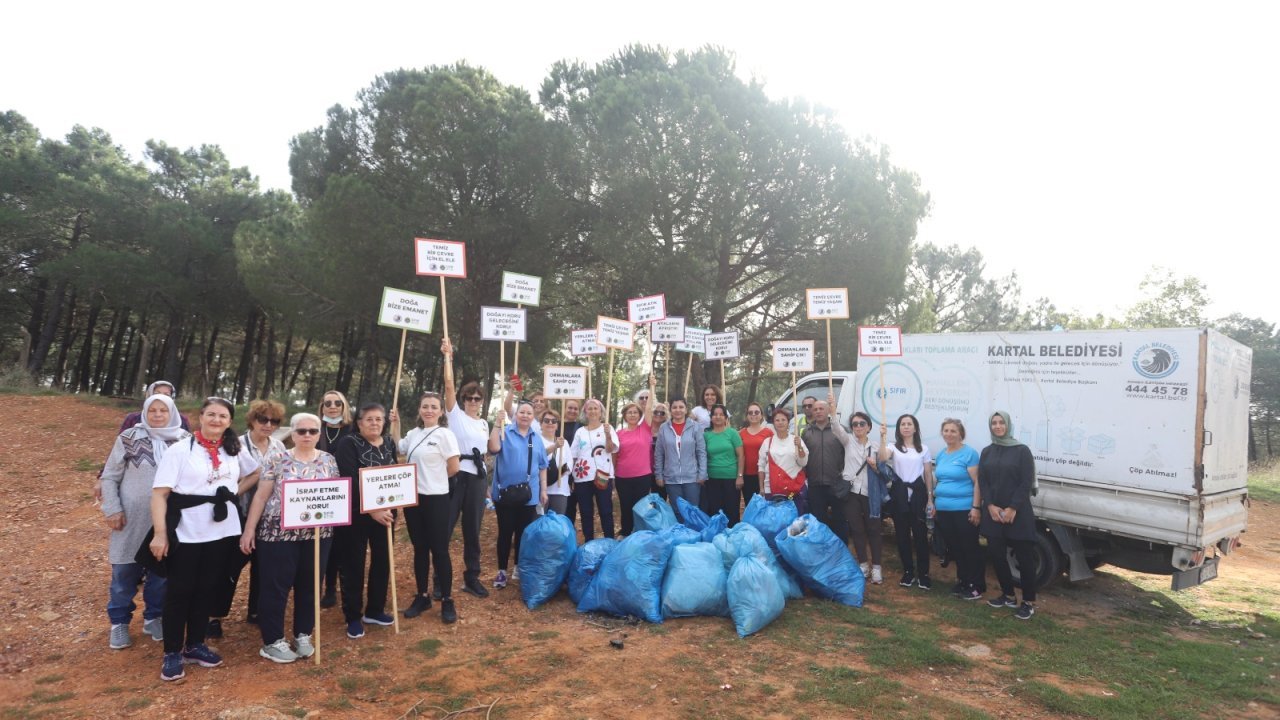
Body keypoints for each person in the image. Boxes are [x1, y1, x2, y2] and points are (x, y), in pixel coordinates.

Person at [149, 397, 260, 682]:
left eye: (222, 416)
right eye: (211, 414)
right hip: (187, 530)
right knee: (180, 590)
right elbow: (160, 494)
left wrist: (232, 492)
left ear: (229, 421)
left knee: (207, 588)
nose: (216, 420)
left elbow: (256, 472)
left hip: (222, 531)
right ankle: (172, 651)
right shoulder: (180, 450)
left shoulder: (233, 448)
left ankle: (195, 644)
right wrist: (160, 534)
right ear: (201, 417)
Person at [238, 413, 335, 663]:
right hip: (277, 534)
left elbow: (335, 495)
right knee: (275, 587)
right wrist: (250, 530)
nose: (306, 435)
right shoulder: (277, 458)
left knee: (311, 584)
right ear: (292, 434)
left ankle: (303, 633)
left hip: (317, 534)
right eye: (301, 431)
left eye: (312, 431)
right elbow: (261, 496)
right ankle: (273, 640)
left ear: (319, 434)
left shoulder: (328, 460)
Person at [101, 393, 188, 650]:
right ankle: (119, 623)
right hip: (131, 519)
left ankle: (153, 617)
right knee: (124, 573)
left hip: (168, 519)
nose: (158, 415)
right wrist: (112, 509)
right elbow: (109, 477)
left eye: (163, 410)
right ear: (144, 413)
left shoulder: (184, 440)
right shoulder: (129, 438)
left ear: (172, 412)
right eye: (153, 410)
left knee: (161, 573)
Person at [208, 400, 286, 638]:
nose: (268, 425)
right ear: (252, 420)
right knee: (229, 567)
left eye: (274, 421)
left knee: (264, 568)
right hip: (237, 514)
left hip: (269, 517)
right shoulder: (235, 444)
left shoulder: (279, 447)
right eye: (263, 419)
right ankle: (213, 616)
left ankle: (256, 611)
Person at [391, 393, 460, 624]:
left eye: (433, 407)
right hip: (413, 499)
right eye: (425, 406)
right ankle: (422, 596)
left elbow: (453, 467)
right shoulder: (413, 434)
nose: (429, 410)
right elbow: (398, 447)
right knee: (419, 548)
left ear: (441, 411)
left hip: (437, 498)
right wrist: (396, 423)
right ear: (419, 410)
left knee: (439, 550)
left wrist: (434, 480)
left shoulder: (445, 434)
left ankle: (448, 599)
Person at [332, 402, 397, 639]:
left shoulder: (389, 442)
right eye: (369, 419)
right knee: (353, 564)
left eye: (379, 419)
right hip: (356, 513)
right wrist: (371, 510)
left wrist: (394, 500)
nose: (374, 423)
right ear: (359, 423)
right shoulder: (348, 443)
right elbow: (350, 478)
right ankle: (353, 617)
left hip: (385, 512)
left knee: (383, 560)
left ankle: (375, 610)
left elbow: (394, 475)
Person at [441, 337, 490, 599]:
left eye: (477, 398)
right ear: (463, 399)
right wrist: (448, 356)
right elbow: (448, 385)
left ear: (482, 401)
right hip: (456, 476)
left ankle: (472, 577)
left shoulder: (484, 424)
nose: (473, 401)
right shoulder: (455, 415)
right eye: (469, 397)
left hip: (478, 479)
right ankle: (440, 580)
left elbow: (489, 451)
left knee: (473, 530)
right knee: (446, 528)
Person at [979, 411, 1040, 620]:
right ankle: (1008, 595)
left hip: (1018, 513)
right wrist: (990, 506)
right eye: (994, 423)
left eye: (1001, 422)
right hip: (993, 513)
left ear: (1008, 425)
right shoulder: (987, 451)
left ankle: (1028, 602)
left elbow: (1026, 482)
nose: (997, 426)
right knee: (996, 555)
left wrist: (1013, 508)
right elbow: (983, 481)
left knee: (1025, 559)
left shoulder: (1021, 451)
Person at [488, 401, 549, 588]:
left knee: (522, 534)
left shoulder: (537, 438)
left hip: (529, 494)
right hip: (505, 493)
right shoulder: (506, 432)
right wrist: (497, 424)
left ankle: (517, 567)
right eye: (521, 412)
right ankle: (501, 571)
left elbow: (542, 466)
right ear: (515, 415)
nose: (525, 415)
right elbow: (494, 448)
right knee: (505, 533)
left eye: (529, 413)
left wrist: (544, 490)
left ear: (533, 417)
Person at [879, 413, 935, 590]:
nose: (906, 426)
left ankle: (924, 574)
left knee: (920, 536)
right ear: (899, 428)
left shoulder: (923, 449)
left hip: (918, 495)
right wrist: (881, 438)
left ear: (915, 428)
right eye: (902, 424)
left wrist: (930, 498)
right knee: (902, 536)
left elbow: (927, 474)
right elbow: (881, 458)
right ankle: (908, 572)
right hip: (899, 495)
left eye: (909, 424)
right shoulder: (893, 447)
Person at [831, 407, 885, 585]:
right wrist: (832, 409)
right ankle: (863, 564)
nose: (858, 427)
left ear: (869, 427)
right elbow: (836, 427)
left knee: (874, 530)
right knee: (857, 530)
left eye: (862, 424)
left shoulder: (876, 446)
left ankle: (877, 567)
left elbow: (885, 468)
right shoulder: (848, 442)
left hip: (871, 493)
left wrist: (876, 464)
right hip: (852, 493)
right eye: (855, 424)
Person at [934, 418, 985, 601]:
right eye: (946, 430)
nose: (949, 434)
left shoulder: (969, 454)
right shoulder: (941, 454)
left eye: (953, 431)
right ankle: (963, 581)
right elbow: (939, 480)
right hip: (944, 510)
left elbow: (977, 482)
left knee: (969, 547)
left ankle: (976, 585)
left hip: (964, 509)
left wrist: (976, 507)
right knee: (955, 548)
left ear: (960, 433)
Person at [316, 390, 354, 609]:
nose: (332, 407)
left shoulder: (351, 430)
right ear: (322, 407)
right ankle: (318, 587)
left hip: (344, 495)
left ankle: (333, 588)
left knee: (339, 545)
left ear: (343, 406)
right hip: (318, 494)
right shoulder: (314, 429)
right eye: (327, 403)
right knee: (320, 544)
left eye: (337, 403)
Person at [615, 374, 658, 535]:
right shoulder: (618, 433)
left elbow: (648, 408)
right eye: (629, 412)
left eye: (635, 412)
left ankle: (641, 534)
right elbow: (614, 454)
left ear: (639, 416)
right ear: (625, 416)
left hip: (642, 476)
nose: (632, 415)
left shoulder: (645, 429)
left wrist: (652, 386)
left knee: (640, 508)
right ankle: (626, 534)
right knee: (626, 508)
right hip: (622, 477)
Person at [570, 398, 619, 540]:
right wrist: (571, 477)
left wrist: (608, 434)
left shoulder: (608, 428)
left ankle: (609, 541)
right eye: (589, 408)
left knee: (605, 510)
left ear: (601, 411)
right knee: (585, 512)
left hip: (603, 475)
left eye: (595, 408)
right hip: (582, 476)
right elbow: (574, 455)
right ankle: (589, 542)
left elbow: (611, 449)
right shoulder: (580, 431)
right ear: (585, 412)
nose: (592, 411)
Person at [802, 399, 850, 543]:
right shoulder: (807, 432)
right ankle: (820, 551)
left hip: (836, 483)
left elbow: (848, 452)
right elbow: (802, 456)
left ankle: (842, 552)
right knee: (818, 521)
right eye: (815, 409)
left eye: (821, 408)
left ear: (829, 410)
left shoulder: (838, 430)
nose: (817, 411)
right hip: (815, 484)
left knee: (839, 520)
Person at [653, 397, 707, 522]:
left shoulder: (695, 427)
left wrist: (702, 473)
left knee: (693, 509)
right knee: (677, 510)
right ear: (670, 410)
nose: (678, 410)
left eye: (681, 407)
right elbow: (659, 453)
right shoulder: (664, 428)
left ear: (686, 409)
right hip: (671, 478)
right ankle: (681, 537)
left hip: (692, 477)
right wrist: (659, 475)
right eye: (674, 407)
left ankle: (694, 537)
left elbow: (701, 452)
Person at [759, 407, 807, 513]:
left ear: (788, 422)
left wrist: (799, 447)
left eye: (783, 420)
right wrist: (761, 487)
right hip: (771, 489)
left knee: (795, 521)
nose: (780, 423)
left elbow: (803, 462)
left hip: (794, 488)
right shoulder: (767, 442)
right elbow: (761, 466)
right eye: (777, 420)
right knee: (776, 522)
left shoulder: (796, 440)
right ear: (773, 423)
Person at [702, 404, 744, 525]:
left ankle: (733, 539)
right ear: (711, 418)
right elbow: (703, 456)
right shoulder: (706, 435)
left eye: (721, 414)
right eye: (715, 414)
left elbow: (741, 456)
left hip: (731, 479)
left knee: (732, 512)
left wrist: (740, 476)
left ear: (726, 418)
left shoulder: (732, 433)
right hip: (712, 479)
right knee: (715, 512)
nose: (718, 417)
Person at [118, 381, 191, 433]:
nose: (161, 396)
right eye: (157, 393)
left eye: (166, 394)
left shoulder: (181, 420)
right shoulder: (133, 418)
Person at [738, 402, 773, 508]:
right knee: (750, 506)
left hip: (764, 475)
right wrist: (739, 475)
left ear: (761, 415)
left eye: (756, 412)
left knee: (764, 506)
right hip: (747, 475)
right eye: (750, 412)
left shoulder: (768, 432)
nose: (753, 414)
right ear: (747, 416)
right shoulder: (741, 433)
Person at [539, 408, 571, 515]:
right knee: (539, 521)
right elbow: (537, 458)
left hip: (559, 489)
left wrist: (560, 473)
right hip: (540, 489)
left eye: (554, 421)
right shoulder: (536, 440)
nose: (550, 423)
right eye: (546, 420)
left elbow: (570, 463)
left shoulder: (564, 442)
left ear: (557, 425)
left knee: (557, 523)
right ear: (541, 424)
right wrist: (555, 446)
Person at [648, 401, 669, 499]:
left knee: (660, 500)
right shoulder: (645, 428)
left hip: (661, 470)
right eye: (656, 412)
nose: (659, 415)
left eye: (662, 413)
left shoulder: (668, 430)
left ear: (666, 416)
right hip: (645, 471)